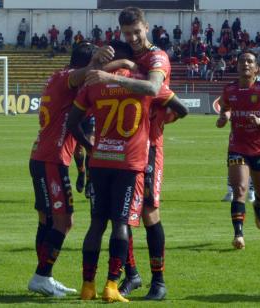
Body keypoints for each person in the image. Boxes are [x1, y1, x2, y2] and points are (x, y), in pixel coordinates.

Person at [67, 40, 187, 303]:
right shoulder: (140, 79)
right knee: (127, 218)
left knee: (129, 216)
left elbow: (72, 121)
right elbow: (181, 107)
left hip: (108, 158)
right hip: (131, 159)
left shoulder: (96, 83)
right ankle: (127, 276)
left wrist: (90, 146)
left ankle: (151, 281)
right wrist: (159, 117)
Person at [84, 7, 174, 301]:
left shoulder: (156, 57)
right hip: (122, 149)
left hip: (149, 147)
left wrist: (117, 77)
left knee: (148, 212)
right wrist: (101, 57)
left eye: (137, 31)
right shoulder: (126, 54)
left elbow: (152, 87)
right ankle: (132, 274)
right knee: (122, 214)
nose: (133, 38)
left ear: (147, 27)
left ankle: (158, 282)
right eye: (128, 33)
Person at [27, 42, 109, 297]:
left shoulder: (58, 77)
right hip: (52, 159)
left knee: (48, 219)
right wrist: (98, 63)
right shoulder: (69, 78)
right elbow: (79, 76)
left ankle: (45, 276)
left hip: (42, 156)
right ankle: (41, 276)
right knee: (65, 220)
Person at [216, 51, 260, 250]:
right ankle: (238, 234)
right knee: (240, 190)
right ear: (237, 66)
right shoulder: (229, 89)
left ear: (256, 68)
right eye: (242, 61)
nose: (245, 64)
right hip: (237, 145)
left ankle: (259, 206)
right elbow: (225, 108)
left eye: (250, 61)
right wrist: (224, 118)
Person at [221, 59, 260, 203]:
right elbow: (228, 107)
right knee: (235, 163)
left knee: (255, 166)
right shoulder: (238, 85)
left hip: (258, 134)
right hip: (239, 133)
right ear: (259, 68)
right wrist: (225, 116)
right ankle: (232, 190)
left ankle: (252, 192)